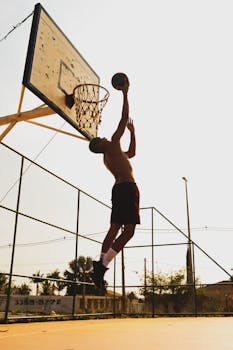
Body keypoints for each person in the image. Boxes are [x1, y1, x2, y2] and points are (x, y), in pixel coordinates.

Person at [88, 75, 140, 294]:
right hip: (127, 188)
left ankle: (100, 265)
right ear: (100, 144)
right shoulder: (111, 145)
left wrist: (133, 134)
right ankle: (101, 266)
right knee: (126, 231)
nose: (102, 136)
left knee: (120, 229)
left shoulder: (112, 153)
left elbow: (132, 153)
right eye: (99, 138)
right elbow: (124, 116)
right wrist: (125, 93)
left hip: (123, 189)